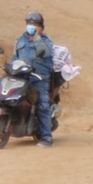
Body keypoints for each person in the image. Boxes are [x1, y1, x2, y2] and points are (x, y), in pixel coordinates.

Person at [12, 10, 57, 146]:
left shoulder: (46, 40)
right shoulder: (20, 39)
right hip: (22, 76)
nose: (32, 26)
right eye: (30, 23)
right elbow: (15, 57)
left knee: (42, 105)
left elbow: (45, 53)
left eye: (36, 24)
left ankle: (46, 137)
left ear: (41, 27)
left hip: (39, 77)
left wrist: (36, 37)